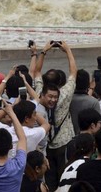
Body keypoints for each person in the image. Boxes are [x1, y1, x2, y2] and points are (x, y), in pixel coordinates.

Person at [33, 41, 78, 191]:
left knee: (49, 179)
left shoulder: (41, 93)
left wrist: (43, 52)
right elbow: (73, 73)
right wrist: (68, 50)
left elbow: (37, 72)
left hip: (44, 145)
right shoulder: (63, 95)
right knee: (65, 177)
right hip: (63, 143)